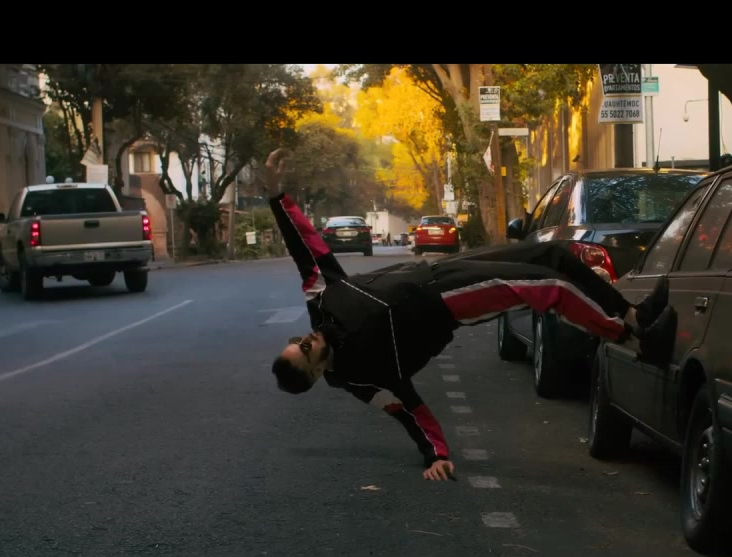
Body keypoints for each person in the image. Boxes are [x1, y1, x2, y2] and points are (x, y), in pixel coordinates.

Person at [262, 150, 675, 481]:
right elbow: (409, 410)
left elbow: (307, 249)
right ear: (317, 373)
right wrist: (435, 455)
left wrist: (278, 198)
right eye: (306, 351)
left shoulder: (321, 303)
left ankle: (634, 316)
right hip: (448, 302)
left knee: (550, 253)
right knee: (551, 287)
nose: (307, 339)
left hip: (437, 271)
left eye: (298, 341)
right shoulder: (361, 376)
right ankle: (637, 342)